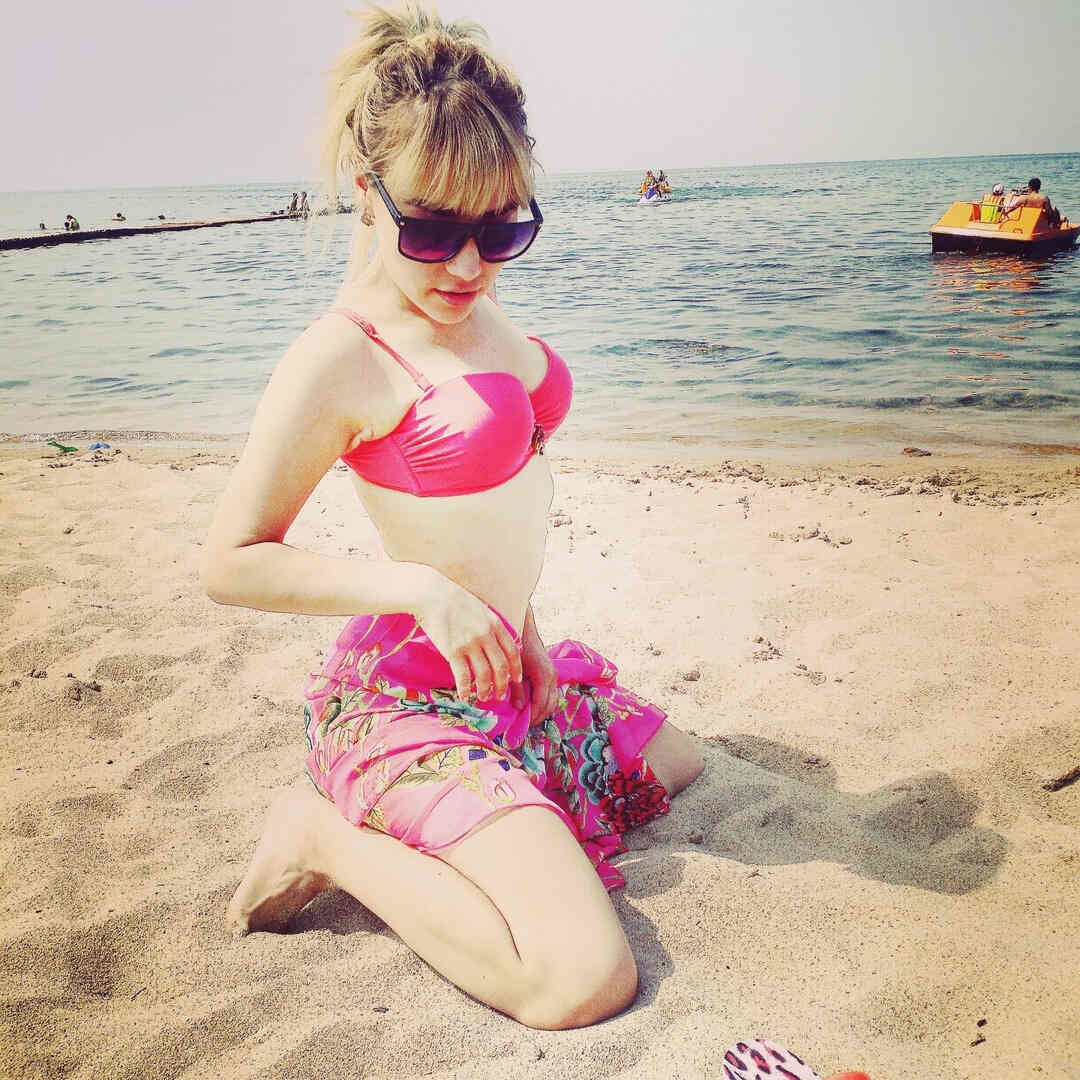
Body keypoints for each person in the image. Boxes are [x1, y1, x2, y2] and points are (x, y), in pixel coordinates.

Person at [202, 1, 704, 1031]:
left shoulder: (468, 296)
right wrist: (421, 590)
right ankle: (320, 836)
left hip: (502, 671)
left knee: (681, 762)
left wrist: (522, 624)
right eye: (431, 229)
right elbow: (230, 561)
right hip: (406, 699)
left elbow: (494, 503)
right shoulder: (341, 357)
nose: (470, 266)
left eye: (502, 227)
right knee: (581, 979)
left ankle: (499, 803)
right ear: (367, 193)